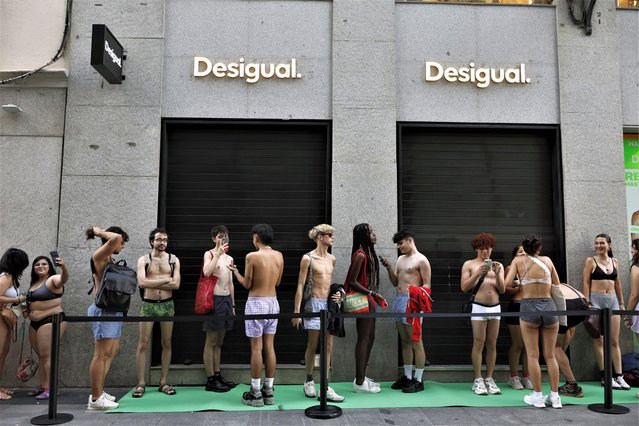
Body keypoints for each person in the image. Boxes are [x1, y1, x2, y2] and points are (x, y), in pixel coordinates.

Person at [228, 224, 284, 407]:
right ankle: (269, 390)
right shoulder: (279, 256)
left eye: (253, 237)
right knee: (270, 347)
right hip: (273, 303)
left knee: (256, 348)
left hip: (256, 303)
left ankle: (256, 392)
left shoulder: (252, 256)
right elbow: (278, 282)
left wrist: (236, 272)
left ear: (257, 237)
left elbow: (246, 284)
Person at [504, 233, 562, 409]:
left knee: (532, 355)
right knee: (550, 355)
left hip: (528, 306)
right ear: (539, 248)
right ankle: (555, 397)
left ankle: (537, 396)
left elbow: (506, 284)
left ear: (524, 247)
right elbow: (557, 285)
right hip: (549, 305)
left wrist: (521, 282)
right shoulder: (548, 261)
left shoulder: (518, 262)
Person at [292, 224, 344, 402]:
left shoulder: (332, 259)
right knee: (313, 345)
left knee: (329, 346)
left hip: (328, 305)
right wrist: (296, 312)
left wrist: (338, 294)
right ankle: (308, 380)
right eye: (329, 235)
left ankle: (325, 386)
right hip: (313, 304)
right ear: (320, 237)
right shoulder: (308, 258)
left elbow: (330, 283)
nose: (332, 238)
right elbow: (300, 285)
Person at [380, 229, 431, 393]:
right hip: (399, 300)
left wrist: (415, 293)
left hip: (412, 303)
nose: (399, 247)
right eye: (398, 244)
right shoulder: (400, 259)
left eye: (401, 243)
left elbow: (427, 285)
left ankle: (419, 379)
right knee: (405, 341)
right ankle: (408, 377)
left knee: (416, 340)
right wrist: (388, 268)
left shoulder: (422, 260)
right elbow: (396, 282)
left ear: (410, 240)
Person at [133, 228, 181, 398]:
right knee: (143, 343)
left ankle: (163, 381)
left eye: (165, 240)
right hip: (149, 304)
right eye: (159, 239)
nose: (162, 242)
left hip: (167, 304)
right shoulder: (144, 260)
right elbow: (141, 282)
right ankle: (141, 383)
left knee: (167, 342)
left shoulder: (173, 260)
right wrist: (166, 279)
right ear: (152, 241)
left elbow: (176, 285)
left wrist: (152, 282)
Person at [85, 226, 129, 410]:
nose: (123, 245)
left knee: (111, 353)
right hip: (103, 310)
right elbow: (116, 237)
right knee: (100, 354)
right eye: (123, 243)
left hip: (113, 310)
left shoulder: (109, 258)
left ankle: (100, 391)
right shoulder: (99, 256)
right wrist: (98, 231)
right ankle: (95, 399)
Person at [582, 233, 630, 390]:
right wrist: (587, 302)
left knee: (614, 340)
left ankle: (619, 376)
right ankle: (605, 376)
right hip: (595, 301)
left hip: (612, 301)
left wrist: (621, 303)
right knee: (599, 340)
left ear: (609, 244)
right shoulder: (591, 261)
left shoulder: (615, 261)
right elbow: (586, 282)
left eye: (602, 243)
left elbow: (618, 284)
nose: (598, 246)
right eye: (596, 243)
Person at [460, 233, 505, 396]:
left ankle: (490, 378)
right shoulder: (469, 264)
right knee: (479, 342)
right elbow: (464, 287)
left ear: (492, 249)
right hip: (478, 306)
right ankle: (478, 379)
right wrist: (478, 273)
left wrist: (499, 272)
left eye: (487, 248)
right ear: (476, 249)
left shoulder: (498, 265)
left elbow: (502, 289)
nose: (485, 252)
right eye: (481, 249)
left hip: (495, 306)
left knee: (492, 343)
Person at [346, 223, 387, 394]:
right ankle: (360, 382)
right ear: (363, 235)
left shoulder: (369, 254)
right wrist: (372, 293)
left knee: (370, 338)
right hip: (364, 299)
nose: (374, 234)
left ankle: (361, 377)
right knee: (363, 339)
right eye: (370, 232)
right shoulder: (361, 255)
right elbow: (352, 281)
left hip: (369, 299)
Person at [25, 254, 69, 400]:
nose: (40, 266)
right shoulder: (35, 282)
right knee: (41, 356)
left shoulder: (52, 279)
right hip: (34, 323)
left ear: (50, 266)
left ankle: (51, 388)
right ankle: (43, 386)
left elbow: (63, 279)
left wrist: (63, 267)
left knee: (47, 356)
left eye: (44, 264)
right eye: (37, 264)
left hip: (51, 321)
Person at [202, 225, 236, 392]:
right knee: (211, 340)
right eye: (220, 236)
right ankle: (210, 379)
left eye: (226, 236)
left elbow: (230, 282)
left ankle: (217, 374)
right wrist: (218, 254)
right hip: (214, 300)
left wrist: (233, 304)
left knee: (220, 341)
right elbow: (207, 272)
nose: (223, 239)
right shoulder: (209, 254)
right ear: (214, 238)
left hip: (226, 300)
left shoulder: (229, 258)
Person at [0, 248, 29, 400]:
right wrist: (16, 300)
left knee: (3, 353)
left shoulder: (10, 278)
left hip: (5, 319)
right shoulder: (6, 276)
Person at [503, 245, 533, 391]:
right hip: (516, 306)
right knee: (518, 343)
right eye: (520, 251)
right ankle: (513, 376)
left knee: (529, 345)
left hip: (531, 305)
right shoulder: (510, 268)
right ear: (514, 255)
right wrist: (516, 286)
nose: (523, 253)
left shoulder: (533, 266)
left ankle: (526, 376)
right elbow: (504, 288)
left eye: (525, 251)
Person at [555, 283, 587, 398]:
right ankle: (561, 370)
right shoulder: (563, 284)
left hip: (567, 305)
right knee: (568, 330)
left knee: (554, 347)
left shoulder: (545, 283)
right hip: (582, 303)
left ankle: (572, 385)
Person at [625, 238, 639, 399]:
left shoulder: (636, 267)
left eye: (633, 248)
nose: (631, 251)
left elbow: (635, 294)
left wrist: (627, 315)